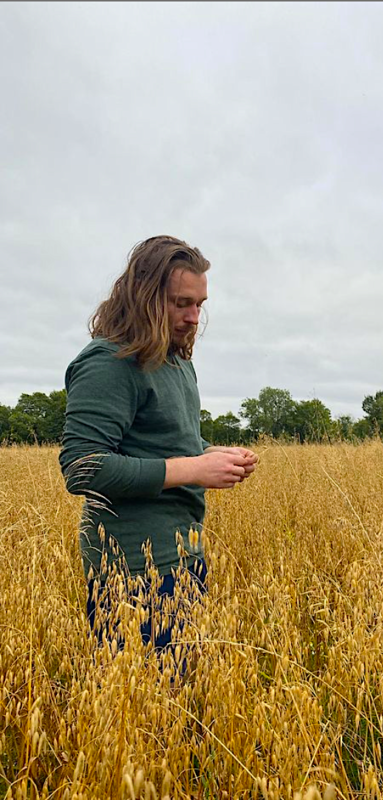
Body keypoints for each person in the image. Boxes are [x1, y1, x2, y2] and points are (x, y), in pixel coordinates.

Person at [59, 235, 257, 650]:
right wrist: (195, 469)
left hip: (184, 555)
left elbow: (163, 441)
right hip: (131, 568)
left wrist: (210, 454)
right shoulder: (109, 362)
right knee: (146, 705)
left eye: (200, 304)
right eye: (180, 302)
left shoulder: (176, 361)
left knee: (178, 697)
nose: (193, 317)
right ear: (144, 296)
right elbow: (83, 466)